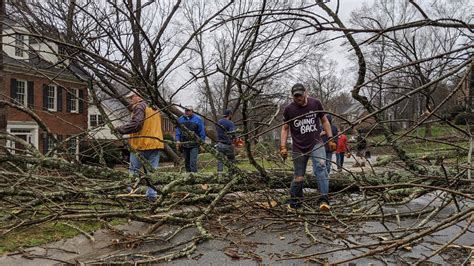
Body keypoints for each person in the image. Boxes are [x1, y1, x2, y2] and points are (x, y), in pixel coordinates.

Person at [280, 83, 336, 212]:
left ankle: (323, 199)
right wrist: (282, 146)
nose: (298, 98)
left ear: (306, 92)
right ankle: (296, 201)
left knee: (321, 167)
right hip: (298, 146)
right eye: (296, 96)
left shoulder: (315, 104)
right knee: (299, 176)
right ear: (293, 96)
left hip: (316, 142)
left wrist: (331, 138)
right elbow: (284, 128)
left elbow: (325, 121)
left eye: (300, 95)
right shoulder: (289, 109)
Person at [117, 90, 164, 200]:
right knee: (152, 171)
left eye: (131, 97)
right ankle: (152, 195)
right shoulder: (154, 108)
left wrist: (121, 129)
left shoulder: (139, 107)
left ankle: (131, 191)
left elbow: (136, 124)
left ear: (138, 96)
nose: (130, 100)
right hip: (155, 143)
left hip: (141, 143)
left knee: (134, 170)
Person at [176, 106, 206, 172]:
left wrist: (202, 143)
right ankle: (189, 178)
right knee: (187, 163)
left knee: (193, 163)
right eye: (185, 110)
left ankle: (195, 178)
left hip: (194, 144)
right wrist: (178, 140)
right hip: (184, 144)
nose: (186, 112)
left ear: (192, 111)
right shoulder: (180, 119)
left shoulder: (198, 119)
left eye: (188, 110)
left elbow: (202, 132)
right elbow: (178, 130)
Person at [215, 109, 236, 174]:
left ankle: (219, 174)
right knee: (231, 159)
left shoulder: (219, 122)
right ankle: (231, 173)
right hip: (228, 144)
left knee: (220, 159)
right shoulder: (230, 123)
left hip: (220, 143)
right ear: (229, 115)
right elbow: (232, 134)